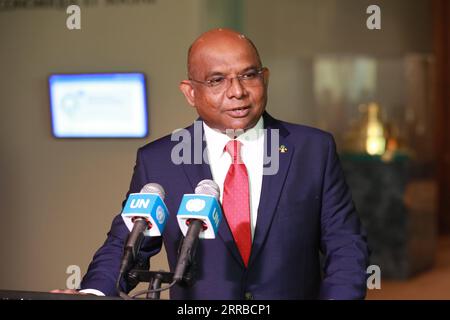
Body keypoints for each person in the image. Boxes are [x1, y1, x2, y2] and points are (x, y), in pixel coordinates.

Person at [54, 28, 369, 299]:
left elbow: (345, 244)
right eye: (217, 80)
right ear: (190, 93)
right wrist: (93, 293)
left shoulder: (312, 149)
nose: (237, 92)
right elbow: (125, 243)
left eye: (248, 75)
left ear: (265, 77)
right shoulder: (159, 160)